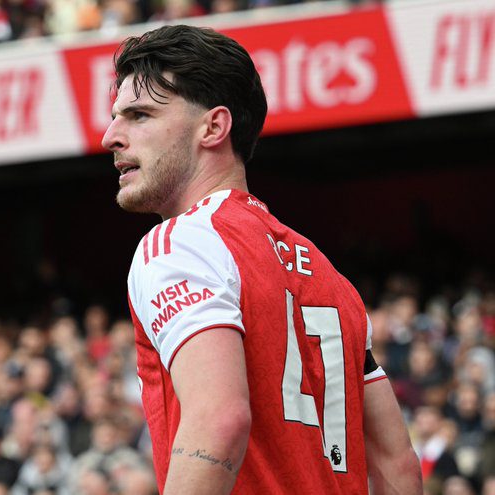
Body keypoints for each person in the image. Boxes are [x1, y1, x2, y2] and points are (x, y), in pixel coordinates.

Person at [101, 24, 422, 494]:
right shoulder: (331, 278)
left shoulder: (177, 243)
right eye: (115, 117)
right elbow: (398, 463)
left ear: (214, 127)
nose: (111, 136)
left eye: (139, 115)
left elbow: (219, 420)